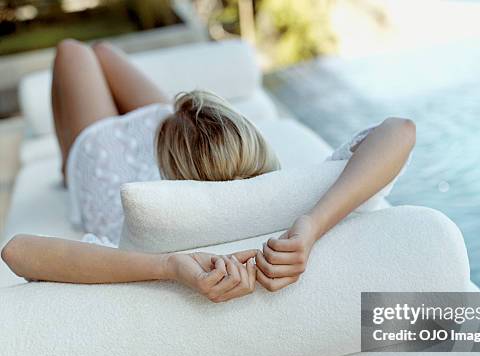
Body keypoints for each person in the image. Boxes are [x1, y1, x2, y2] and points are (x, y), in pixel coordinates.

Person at [1, 39, 416, 303]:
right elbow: (400, 130)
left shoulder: (152, 224)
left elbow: (17, 251)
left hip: (111, 162)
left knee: (75, 51)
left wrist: (167, 266)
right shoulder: (296, 196)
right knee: (103, 55)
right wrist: (311, 225)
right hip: (180, 149)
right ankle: (146, 129)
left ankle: (65, 162)